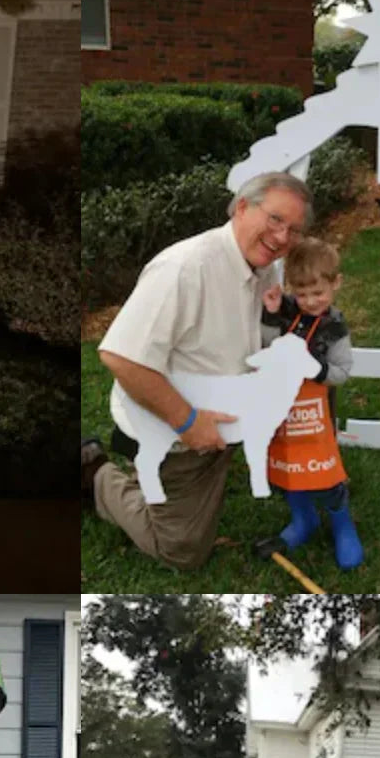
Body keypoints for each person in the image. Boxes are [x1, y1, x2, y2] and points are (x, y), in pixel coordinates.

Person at [81, 172, 312, 572]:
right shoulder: (184, 268)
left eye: (293, 229)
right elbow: (121, 358)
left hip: (222, 420)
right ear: (241, 207)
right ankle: (95, 474)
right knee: (182, 552)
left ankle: (159, 481)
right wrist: (188, 421)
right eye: (275, 219)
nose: (281, 238)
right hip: (177, 430)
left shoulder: (267, 267)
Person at [253, 237, 364, 570]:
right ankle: (303, 520)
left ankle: (342, 523)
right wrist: (272, 315)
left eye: (318, 293)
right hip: (282, 411)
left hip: (317, 414)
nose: (310, 301)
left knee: (323, 470)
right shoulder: (286, 310)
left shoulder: (335, 329)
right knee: (288, 465)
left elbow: (342, 372)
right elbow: (266, 345)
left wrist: (315, 369)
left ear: (336, 284)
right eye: (301, 294)